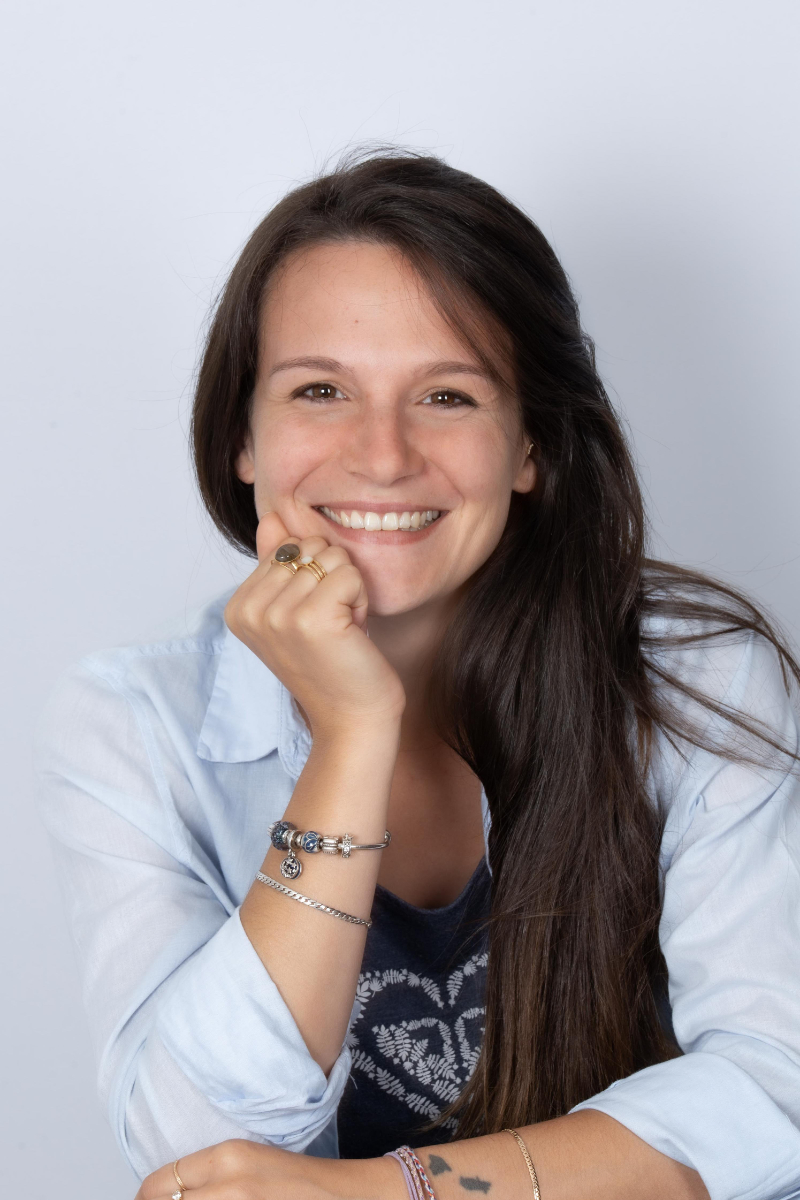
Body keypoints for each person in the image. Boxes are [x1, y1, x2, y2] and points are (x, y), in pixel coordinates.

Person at [35, 152, 800, 1200]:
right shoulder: (128, 724)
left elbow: (773, 1090)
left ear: (528, 443)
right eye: (318, 390)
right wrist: (350, 740)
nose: (383, 455)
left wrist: (389, 1193)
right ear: (241, 441)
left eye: (445, 394)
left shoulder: (695, 679)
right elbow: (195, 1155)